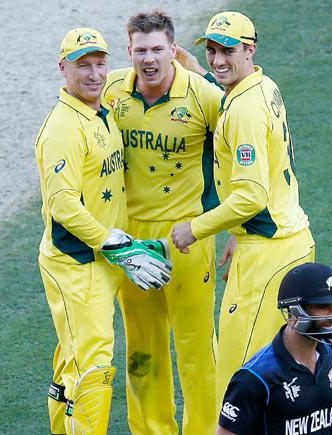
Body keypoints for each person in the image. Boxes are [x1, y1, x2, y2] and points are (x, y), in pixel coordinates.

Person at [171, 11, 316, 406]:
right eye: (213, 50)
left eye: (228, 51)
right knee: (283, 372)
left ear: (249, 50)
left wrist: (194, 229)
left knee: (242, 381)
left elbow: (250, 196)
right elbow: (233, 103)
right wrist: (200, 72)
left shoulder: (244, 111)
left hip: (268, 255)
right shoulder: (263, 86)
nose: (219, 59)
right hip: (285, 239)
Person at [36, 28, 171, 435]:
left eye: (99, 64)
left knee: (72, 358)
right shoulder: (63, 129)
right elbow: (63, 206)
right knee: (93, 365)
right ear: (63, 69)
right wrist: (111, 240)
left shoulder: (99, 111)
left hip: (101, 260)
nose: (94, 74)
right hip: (76, 263)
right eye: (82, 66)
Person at [102, 10, 224, 434]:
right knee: (143, 348)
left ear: (174, 50)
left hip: (188, 236)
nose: (148, 59)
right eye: (140, 50)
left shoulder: (204, 97)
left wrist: (237, 231)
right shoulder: (112, 89)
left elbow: (242, 152)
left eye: (158, 50)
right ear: (129, 51)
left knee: (196, 350)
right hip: (133, 239)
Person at [216, 262, 332, 435]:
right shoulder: (255, 379)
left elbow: (330, 405)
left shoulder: (327, 352)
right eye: (322, 306)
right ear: (295, 310)